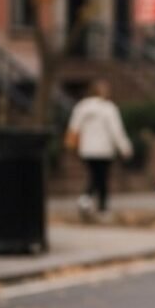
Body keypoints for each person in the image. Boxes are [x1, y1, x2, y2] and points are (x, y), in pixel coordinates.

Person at [65, 79, 133, 219]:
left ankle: (87, 200)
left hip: (87, 150)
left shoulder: (82, 107)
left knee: (94, 176)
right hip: (104, 150)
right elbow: (116, 131)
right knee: (101, 178)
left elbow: (74, 127)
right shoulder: (109, 109)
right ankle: (101, 208)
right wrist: (125, 147)